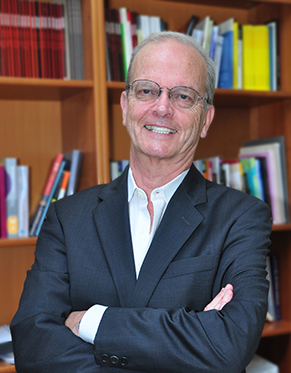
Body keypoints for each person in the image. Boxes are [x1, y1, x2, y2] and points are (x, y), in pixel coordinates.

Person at [11, 31, 272, 373]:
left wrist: (92, 321)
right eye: (147, 90)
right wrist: (192, 334)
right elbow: (33, 344)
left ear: (205, 119)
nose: (162, 108)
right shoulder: (66, 217)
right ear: (125, 106)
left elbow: (228, 346)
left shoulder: (241, 217)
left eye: (183, 96)